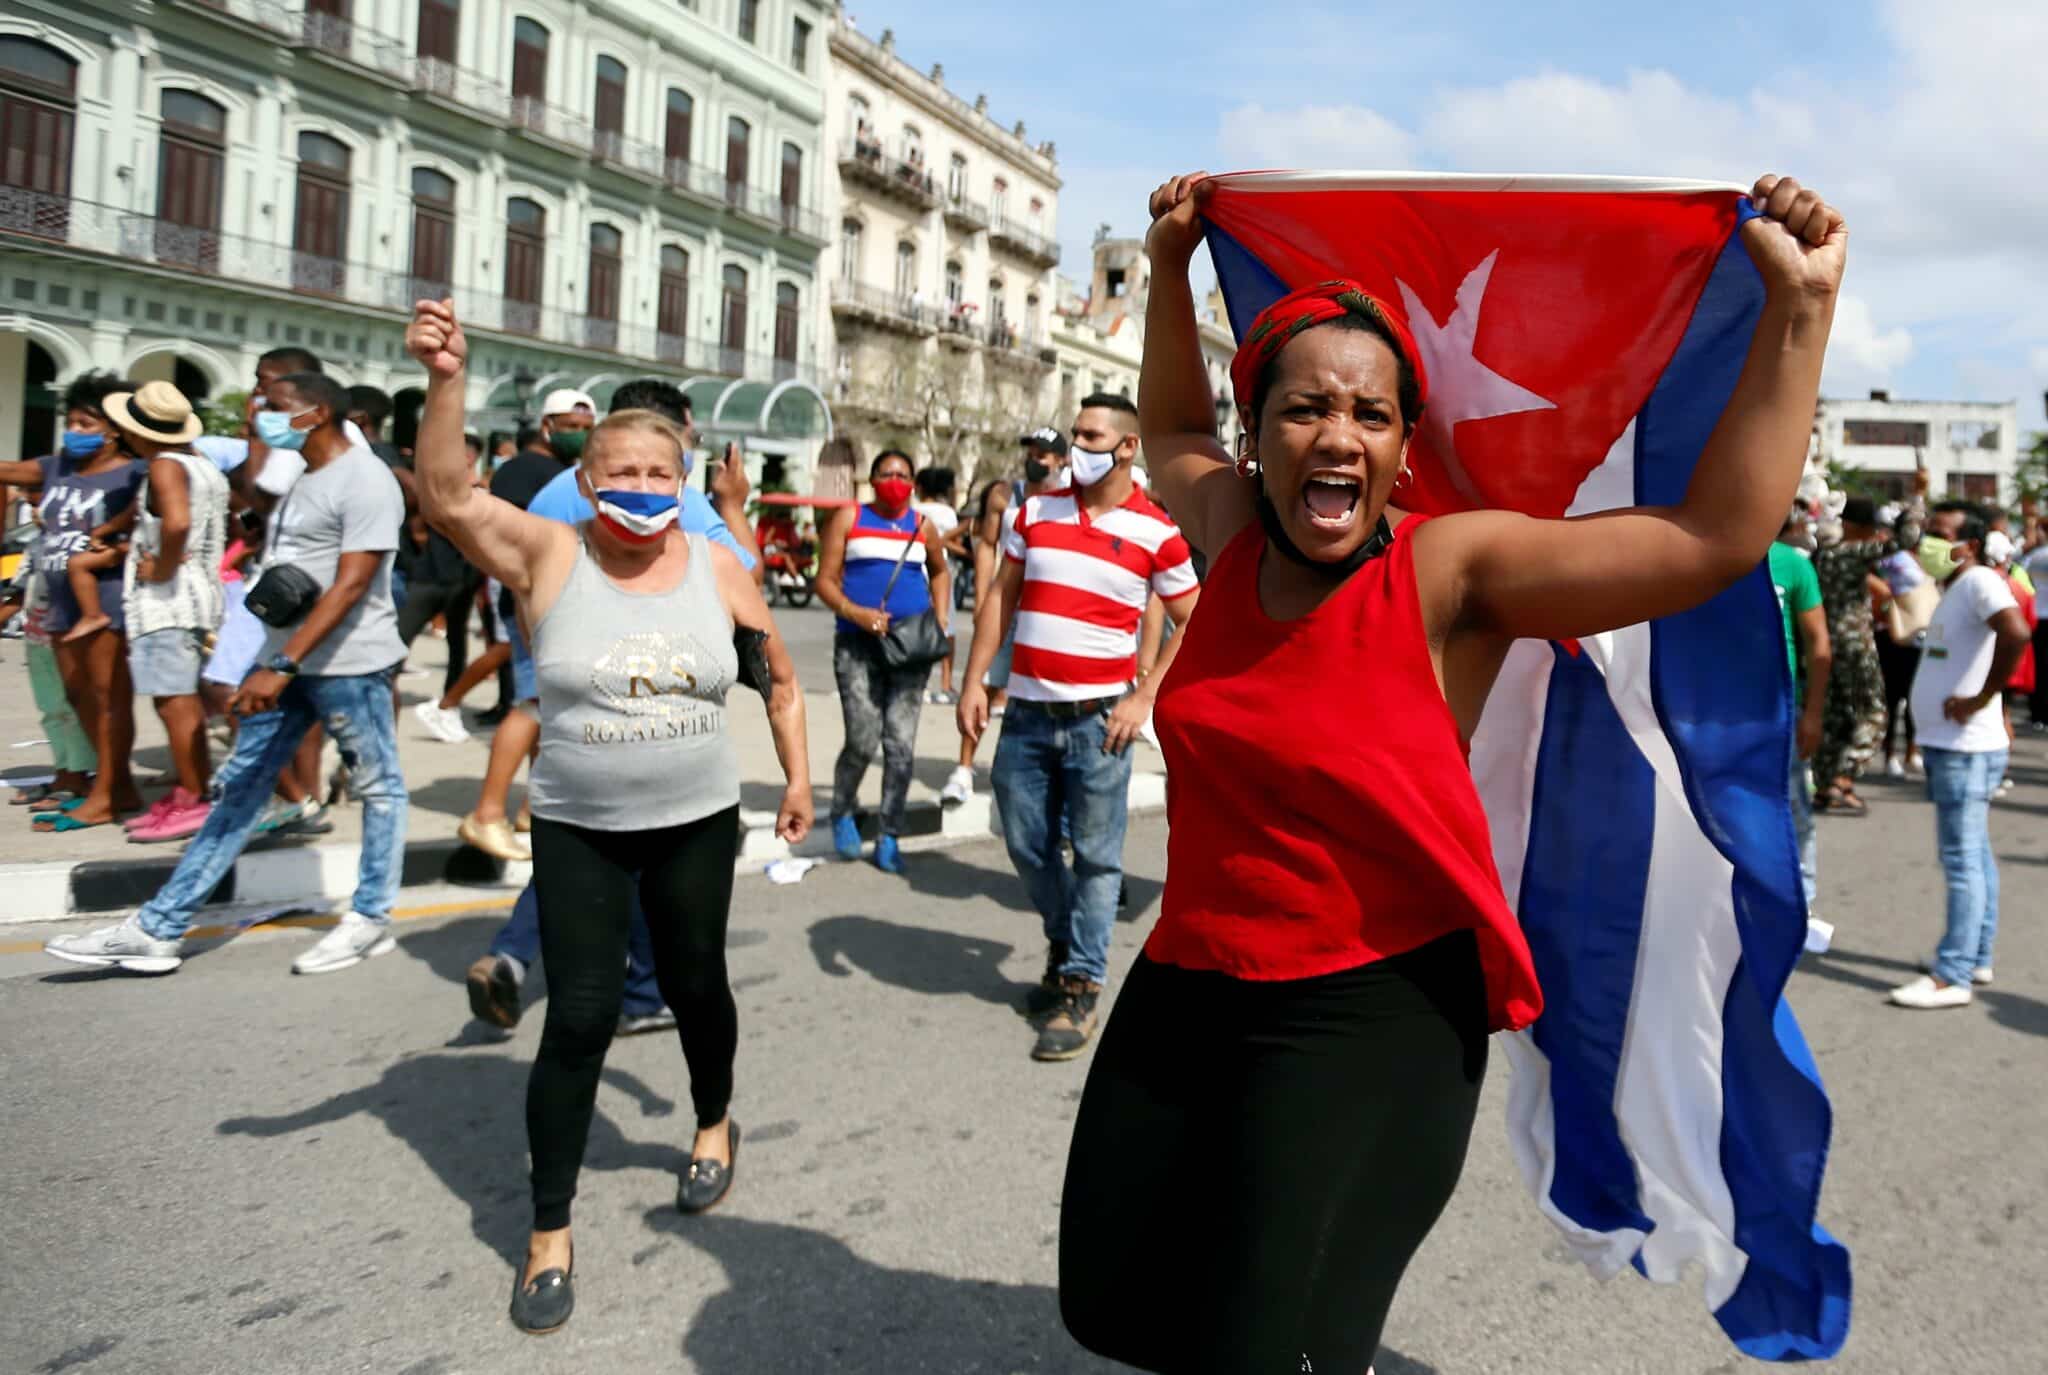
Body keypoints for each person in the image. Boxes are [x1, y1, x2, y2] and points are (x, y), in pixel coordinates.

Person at [1049, 172, 1846, 1372]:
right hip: (1189, 981)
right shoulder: (1222, 533)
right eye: (1304, 408)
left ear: (1401, 445)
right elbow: (1167, 433)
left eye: (1369, 416)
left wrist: (1798, 315)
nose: (1337, 435)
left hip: (1368, 1015)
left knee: (1274, 1343)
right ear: (1256, 429)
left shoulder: (1449, 575)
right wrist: (1167, 270)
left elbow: (1711, 539)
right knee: (1114, 1296)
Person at [405, 298, 812, 1335]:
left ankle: (714, 1120)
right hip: (580, 826)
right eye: (618, 472)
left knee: (692, 985)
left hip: (696, 822)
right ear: (585, 480)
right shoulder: (549, 551)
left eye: (656, 474)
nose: (638, 488)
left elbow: (774, 676)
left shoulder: (718, 565)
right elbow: (449, 493)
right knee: (579, 1015)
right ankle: (549, 1229)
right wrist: (446, 378)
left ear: (681, 485)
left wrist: (797, 777)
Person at [45, 369, 410, 976]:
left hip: (348, 664)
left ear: (315, 413)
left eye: (272, 406)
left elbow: (352, 584)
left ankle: (370, 918)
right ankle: (158, 929)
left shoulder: (366, 478)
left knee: (379, 787)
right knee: (239, 790)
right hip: (286, 664)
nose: (259, 414)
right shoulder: (306, 475)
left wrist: (281, 664)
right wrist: (265, 662)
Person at [462, 378, 762, 1036]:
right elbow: (744, 573)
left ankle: (518, 951)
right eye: (688, 436)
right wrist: (732, 504)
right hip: (638, 686)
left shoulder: (557, 491)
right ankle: (640, 992)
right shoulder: (666, 491)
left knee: (592, 838)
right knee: (643, 842)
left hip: (558, 677)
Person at [957, 396, 1200, 1060]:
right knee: (1025, 844)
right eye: (1075, 433)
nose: (1077, 444)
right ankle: (1067, 942)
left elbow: (1195, 615)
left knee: (1097, 858)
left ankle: (1081, 985)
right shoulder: (1034, 511)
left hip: (1101, 723)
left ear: (1127, 448)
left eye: (1092, 435)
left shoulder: (1157, 531)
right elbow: (1001, 597)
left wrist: (1143, 696)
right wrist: (976, 680)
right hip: (1027, 716)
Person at [1887, 503, 2030, 1009]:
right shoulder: (1959, 587)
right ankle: (1974, 954)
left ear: (1968, 545)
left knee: (1962, 857)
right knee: (1974, 853)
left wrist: (1980, 699)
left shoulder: (1977, 584)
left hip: (1963, 746)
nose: (1928, 541)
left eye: (1939, 534)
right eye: (1927, 532)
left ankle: (1953, 975)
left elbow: (2017, 633)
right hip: (1957, 745)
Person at [445, 391, 595, 854]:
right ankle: (487, 812)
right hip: (531, 599)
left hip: (555, 600)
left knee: (550, 710)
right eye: (571, 425)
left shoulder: (564, 475)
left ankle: (535, 806)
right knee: (532, 703)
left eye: (586, 426)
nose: (581, 434)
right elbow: (505, 545)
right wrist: (525, 606)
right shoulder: (522, 474)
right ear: (547, 426)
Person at [0, 372, 148, 832]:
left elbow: (154, 528)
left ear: (115, 429)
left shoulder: (137, 472)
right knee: (78, 695)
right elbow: (6, 470)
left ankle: (106, 793)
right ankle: (114, 783)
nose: (76, 431)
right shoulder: (57, 466)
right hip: (62, 600)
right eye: (74, 421)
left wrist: (119, 550)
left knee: (109, 699)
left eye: (88, 423)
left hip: (105, 598)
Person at [816, 450, 952, 872]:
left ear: (913, 482)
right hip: (858, 645)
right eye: (887, 473)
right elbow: (824, 580)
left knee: (900, 745)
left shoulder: (921, 525)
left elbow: (941, 571)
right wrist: (855, 613)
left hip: (910, 647)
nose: (895, 480)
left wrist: (941, 616)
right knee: (862, 737)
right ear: (871, 479)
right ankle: (842, 809)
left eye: (903, 474)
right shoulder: (849, 518)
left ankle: (889, 834)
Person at [109, 382, 231, 845]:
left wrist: (157, 569)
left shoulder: (164, 465)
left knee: (174, 702)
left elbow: (176, 523)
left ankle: (194, 798)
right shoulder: (203, 466)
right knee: (186, 702)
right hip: (200, 592)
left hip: (168, 600)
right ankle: (191, 790)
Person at [940, 430, 1071, 807]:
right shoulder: (1004, 495)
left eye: (1043, 454)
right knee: (979, 681)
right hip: (1007, 605)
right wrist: (982, 600)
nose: (1034, 458)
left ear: (1060, 461)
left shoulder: (1069, 498)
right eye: (1031, 451)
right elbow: (986, 548)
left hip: (1049, 609)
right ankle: (963, 769)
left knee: (1038, 695)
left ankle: (1036, 777)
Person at [1812, 495, 1910, 815]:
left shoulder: (1824, 555)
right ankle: (1844, 777)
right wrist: (1916, 500)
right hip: (1855, 641)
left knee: (1838, 717)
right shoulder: (1854, 552)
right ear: (1861, 527)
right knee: (1874, 713)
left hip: (1828, 640)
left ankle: (1826, 786)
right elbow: (1908, 539)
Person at [1770, 513, 1831, 929]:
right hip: (1716, 712)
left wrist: (1812, 713)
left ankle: (1801, 899)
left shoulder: (1793, 565)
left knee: (1794, 806)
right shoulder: (1714, 559)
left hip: (1779, 708)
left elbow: (1818, 643)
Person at [912, 466, 967, 703]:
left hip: (916, 571)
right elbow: (952, 542)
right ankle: (945, 683)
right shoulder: (947, 513)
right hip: (942, 573)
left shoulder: (913, 510)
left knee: (917, 627)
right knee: (947, 628)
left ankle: (918, 683)